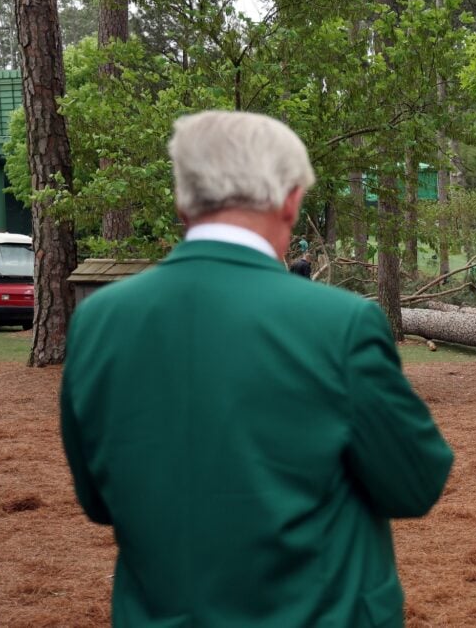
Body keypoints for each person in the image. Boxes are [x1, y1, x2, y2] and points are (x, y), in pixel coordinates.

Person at [60, 111, 453, 627]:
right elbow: (415, 483)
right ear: (290, 199)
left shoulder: (98, 321)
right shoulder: (340, 323)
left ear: (182, 201)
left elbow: (97, 500)